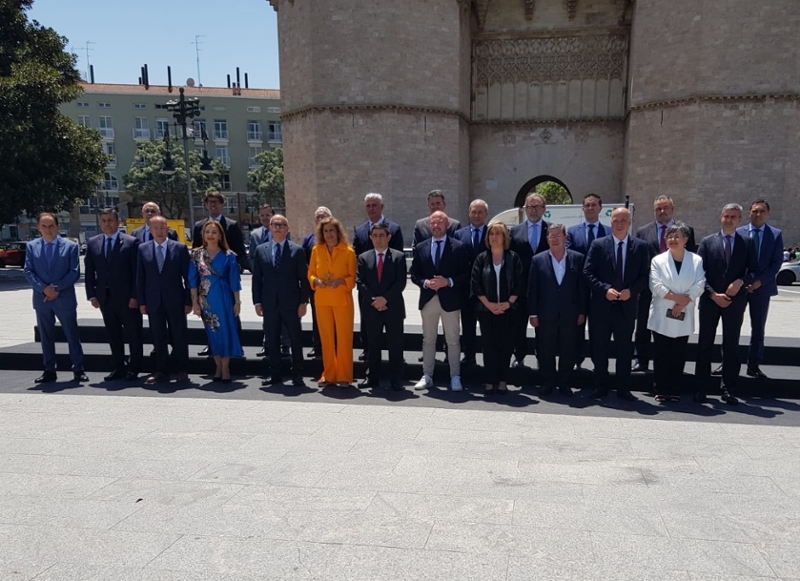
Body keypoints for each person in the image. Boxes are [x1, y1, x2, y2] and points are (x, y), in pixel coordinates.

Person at [583, 207, 650, 401]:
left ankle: (623, 388)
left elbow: (646, 276)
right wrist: (604, 289)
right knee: (600, 347)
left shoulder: (641, 247)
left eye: (623, 220)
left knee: (624, 349)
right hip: (601, 307)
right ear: (610, 222)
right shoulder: (598, 245)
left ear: (629, 223)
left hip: (627, 308)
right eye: (615, 220)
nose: (619, 224)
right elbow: (587, 273)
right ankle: (600, 386)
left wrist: (633, 291)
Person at [695, 204, 758, 405]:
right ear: (720, 218)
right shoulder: (707, 242)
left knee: (731, 346)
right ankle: (701, 388)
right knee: (704, 345)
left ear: (740, 220)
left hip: (735, 301)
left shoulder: (747, 242)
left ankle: (729, 388)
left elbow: (754, 271)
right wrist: (713, 294)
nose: (729, 219)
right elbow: (698, 274)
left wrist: (741, 281)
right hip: (710, 300)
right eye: (726, 216)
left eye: (733, 216)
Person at [632, 195, 697, 373]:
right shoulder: (643, 231)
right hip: (649, 287)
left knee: (673, 325)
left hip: (678, 290)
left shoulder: (686, 231)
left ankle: (671, 363)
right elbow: (638, 260)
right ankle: (641, 359)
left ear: (672, 209)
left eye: (665, 208)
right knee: (643, 324)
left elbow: (691, 260)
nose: (662, 212)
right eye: (658, 209)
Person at [23, 213, 87, 383]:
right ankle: (49, 369)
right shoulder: (31, 246)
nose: (48, 229)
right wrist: (43, 288)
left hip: (63, 297)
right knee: (46, 335)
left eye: (51, 226)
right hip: (41, 298)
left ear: (58, 227)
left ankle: (78, 368)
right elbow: (28, 270)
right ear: (38, 228)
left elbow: (74, 272)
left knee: (71, 333)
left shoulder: (70, 246)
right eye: (44, 226)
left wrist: (56, 288)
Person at [410, 211, 470, 391]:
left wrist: (448, 281)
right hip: (429, 300)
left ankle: (455, 376)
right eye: (433, 223)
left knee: (452, 339)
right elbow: (414, 275)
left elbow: (465, 275)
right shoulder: (421, 247)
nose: (436, 226)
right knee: (428, 339)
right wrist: (425, 283)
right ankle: (427, 375)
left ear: (447, 225)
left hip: (450, 300)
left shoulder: (458, 247)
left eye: (440, 223)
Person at [646, 222, 705, 403]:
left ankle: (675, 389)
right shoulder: (658, 260)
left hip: (683, 311)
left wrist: (684, 301)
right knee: (661, 354)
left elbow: (700, 283)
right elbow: (655, 285)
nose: (673, 239)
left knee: (679, 354)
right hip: (663, 312)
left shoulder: (696, 260)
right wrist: (676, 299)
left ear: (685, 239)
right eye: (669, 236)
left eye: (677, 236)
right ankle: (661, 389)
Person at [528, 224, 587, 397]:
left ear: (565, 237)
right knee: (546, 350)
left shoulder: (577, 258)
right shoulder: (538, 259)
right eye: (550, 236)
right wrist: (533, 313)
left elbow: (582, 288)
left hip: (570, 314)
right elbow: (533, 289)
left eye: (557, 235)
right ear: (546, 239)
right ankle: (548, 382)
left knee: (568, 349)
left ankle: (564, 382)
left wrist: (582, 311)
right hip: (546, 314)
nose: (554, 239)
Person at [84, 208, 143, 381]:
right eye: (103, 220)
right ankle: (118, 367)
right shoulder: (93, 242)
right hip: (105, 298)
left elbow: (136, 273)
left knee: (133, 334)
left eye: (110, 220)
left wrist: (135, 296)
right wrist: (92, 295)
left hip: (127, 299)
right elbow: (89, 272)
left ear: (118, 222)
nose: (107, 223)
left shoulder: (131, 242)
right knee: (113, 334)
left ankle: (134, 368)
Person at [252, 214, 310, 387]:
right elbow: (257, 279)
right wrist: (257, 302)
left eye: (281, 224)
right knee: (272, 339)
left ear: (287, 229)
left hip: (291, 304)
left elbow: (303, 279)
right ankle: (275, 373)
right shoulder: (260, 250)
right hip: (269, 303)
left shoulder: (297, 250)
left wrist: (303, 302)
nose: (277, 227)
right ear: (269, 227)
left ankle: (297, 373)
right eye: (274, 224)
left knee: (295, 338)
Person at [136, 216, 192, 384]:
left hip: (176, 300)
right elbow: (140, 277)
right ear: (150, 229)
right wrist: (142, 301)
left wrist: (188, 300)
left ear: (167, 228)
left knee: (179, 335)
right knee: (158, 336)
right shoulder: (142, 249)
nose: (159, 231)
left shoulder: (180, 248)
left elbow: (187, 277)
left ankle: (181, 369)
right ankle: (161, 370)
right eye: (155, 228)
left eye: (162, 227)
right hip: (153, 301)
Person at [470, 221, 523, 394]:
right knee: (489, 346)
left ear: (504, 237)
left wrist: (508, 304)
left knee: (506, 346)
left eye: (498, 234)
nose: (494, 237)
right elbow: (476, 284)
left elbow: (519, 283)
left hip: (508, 311)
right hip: (487, 311)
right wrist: (489, 305)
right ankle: (489, 380)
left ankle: (502, 380)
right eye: (491, 234)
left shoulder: (513, 257)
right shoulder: (482, 258)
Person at [193, 191, 247, 357]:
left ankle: (235, 345)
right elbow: (196, 253)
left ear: (222, 204)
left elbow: (240, 252)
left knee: (231, 313)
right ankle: (212, 345)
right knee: (209, 315)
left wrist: (232, 269)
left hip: (226, 278)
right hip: (207, 283)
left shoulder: (231, 225)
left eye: (216, 202)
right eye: (209, 202)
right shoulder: (198, 226)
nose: (213, 205)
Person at [189, 220, 244, 383]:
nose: (210, 235)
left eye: (214, 232)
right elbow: (192, 280)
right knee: (212, 332)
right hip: (206, 299)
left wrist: (237, 302)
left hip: (225, 297)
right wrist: (194, 302)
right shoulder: (196, 255)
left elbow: (235, 281)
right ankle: (217, 366)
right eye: (207, 232)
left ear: (220, 235)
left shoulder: (229, 256)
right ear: (203, 235)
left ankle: (225, 367)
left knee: (226, 331)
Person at [352, 193, 405, 363]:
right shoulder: (359, 230)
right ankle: (368, 358)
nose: (371, 208)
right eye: (368, 205)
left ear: (382, 207)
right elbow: (356, 259)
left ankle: (396, 374)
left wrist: (385, 298)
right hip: (369, 295)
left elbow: (398, 267)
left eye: (374, 205)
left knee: (394, 340)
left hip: (391, 296)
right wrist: (374, 297)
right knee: (369, 332)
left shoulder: (394, 229)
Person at [356, 222, 407, 391]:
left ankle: (396, 379)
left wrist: (384, 299)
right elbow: (360, 282)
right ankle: (372, 378)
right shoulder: (363, 258)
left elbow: (400, 282)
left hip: (393, 308)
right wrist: (375, 300)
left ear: (388, 237)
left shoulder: (399, 257)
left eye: (381, 235)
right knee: (373, 345)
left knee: (395, 344)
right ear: (370, 238)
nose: (378, 239)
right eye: (375, 236)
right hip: (371, 309)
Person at [308, 217, 357, 387]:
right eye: (325, 231)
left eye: (331, 230)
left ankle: (344, 375)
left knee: (344, 338)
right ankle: (329, 374)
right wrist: (316, 281)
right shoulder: (316, 250)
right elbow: (311, 273)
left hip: (342, 300)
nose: (329, 234)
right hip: (322, 300)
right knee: (326, 338)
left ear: (338, 232)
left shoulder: (349, 252)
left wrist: (341, 281)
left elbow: (353, 278)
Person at [738, 199, 784, 380]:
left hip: (762, 289)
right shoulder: (739, 232)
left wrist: (759, 282)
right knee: (732, 327)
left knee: (758, 328)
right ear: (749, 212)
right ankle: (727, 363)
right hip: (740, 288)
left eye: (762, 211)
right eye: (755, 211)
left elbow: (776, 263)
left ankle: (753, 365)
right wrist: (743, 282)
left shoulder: (775, 234)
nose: (758, 214)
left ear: (768, 214)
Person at [565, 193, 610, 370]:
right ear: (582, 208)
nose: (590, 208)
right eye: (587, 205)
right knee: (577, 325)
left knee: (598, 329)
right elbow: (569, 256)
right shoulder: (572, 231)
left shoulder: (608, 231)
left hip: (600, 288)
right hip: (579, 287)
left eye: (594, 205)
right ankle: (577, 359)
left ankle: (598, 364)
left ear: (600, 208)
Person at [509, 192, 551, 368]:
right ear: (525, 209)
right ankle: (519, 356)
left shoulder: (551, 230)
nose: (533, 210)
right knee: (518, 325)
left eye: (537, 206)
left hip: (544, 288)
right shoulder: (515, 231)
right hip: (520, 288)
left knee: (543, 327)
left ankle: (542, 358)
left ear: (544, 209)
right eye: (529, 206)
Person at [453, 199, 489, 367]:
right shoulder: (460, 234)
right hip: (465, 289)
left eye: (480, 212)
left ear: (486, 215)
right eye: (473, 212)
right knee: (467, 325)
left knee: (487, 326)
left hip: (487, 289)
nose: (476, 215)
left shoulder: (492, 233)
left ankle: (489, 358)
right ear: (469, 213)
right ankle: (469, 357)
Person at [302, 206, 332, 359]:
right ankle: (317, 346)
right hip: (316, 286)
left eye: (324, 216)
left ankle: (332, 347)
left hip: (333, 286)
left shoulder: (335, 237)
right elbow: (303, 262)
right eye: (318, 216)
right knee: (317, 317)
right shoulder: (308, 239)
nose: (321, 219)